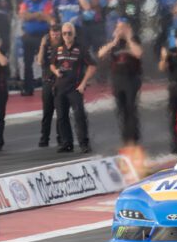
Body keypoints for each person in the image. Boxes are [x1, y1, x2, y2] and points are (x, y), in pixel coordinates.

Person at [51, 22, 96, 153]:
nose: (66, 36)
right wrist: (56, 72)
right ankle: (67, 143)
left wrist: (83, 83)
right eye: (64, 33)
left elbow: (92, 66)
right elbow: (52, 64)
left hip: (75, 88)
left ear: (74, 34)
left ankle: (84, 144)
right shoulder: (58, 48)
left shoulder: (81, 48)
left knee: (79, 116)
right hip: (60, 88)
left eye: (69, 33)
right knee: (61, 117)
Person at [99, 19, 143, 147]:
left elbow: (138, 53)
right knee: (121, 109)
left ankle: (133, 137)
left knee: (131, 108)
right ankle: (126, 137)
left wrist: (129, 38)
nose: (121, 30)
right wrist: (113, 42)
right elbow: (100, 54)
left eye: (123, 28)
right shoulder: (114, 43)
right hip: (117, 79)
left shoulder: (134, 39)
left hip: (131, 78)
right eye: (118, 28)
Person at [18, 0, 54, 96]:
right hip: (28, 36)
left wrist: (33, 15)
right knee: (27, 63)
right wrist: (38, 14)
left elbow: (47, 17)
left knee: (46, 62)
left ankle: (49, 86)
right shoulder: (26, 2)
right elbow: (23, 15)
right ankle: (28, 88)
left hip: (42, 36)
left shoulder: (46, 2)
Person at [37, 23, 63, 147]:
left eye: (57, 34)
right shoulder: (45, 45)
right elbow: (39, 61)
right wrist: (42, 45)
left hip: (61, 81)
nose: (55, 36)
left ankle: (61, 137)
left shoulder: (64, 45)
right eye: (53, 34)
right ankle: (44, 138)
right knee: (47, 112)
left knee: (61, 111)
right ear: (49, 34)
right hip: (47, 81)